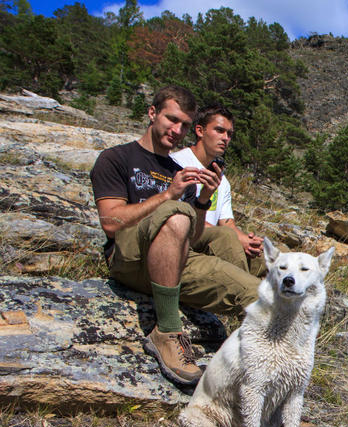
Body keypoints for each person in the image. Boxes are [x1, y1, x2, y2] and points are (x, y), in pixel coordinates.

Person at [90, 85, 260, 386]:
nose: (177, 129)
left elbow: (192, 237)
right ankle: (167, 332)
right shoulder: (117, 158)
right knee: (176, 213)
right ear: (152, 113)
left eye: (183, 125)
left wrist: (205, 197)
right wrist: (168, 195)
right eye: (171, 119)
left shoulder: (179, 170)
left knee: (261, 296)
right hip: (129, 258)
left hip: (178, 259)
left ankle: (258, 385)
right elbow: (111, 222)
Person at [170, 106, 266, 277]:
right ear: (200, 130)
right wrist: (236, 238)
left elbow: (227, 222)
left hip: (217, 238)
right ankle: (246, 294)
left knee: (272, 252)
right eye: (219, 131)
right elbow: (179, 215)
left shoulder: (222, 181)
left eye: (229, 134)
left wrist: (247, 240)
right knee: (227, 238)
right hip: (186, 238)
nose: (225, 138)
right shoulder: (177, 165)